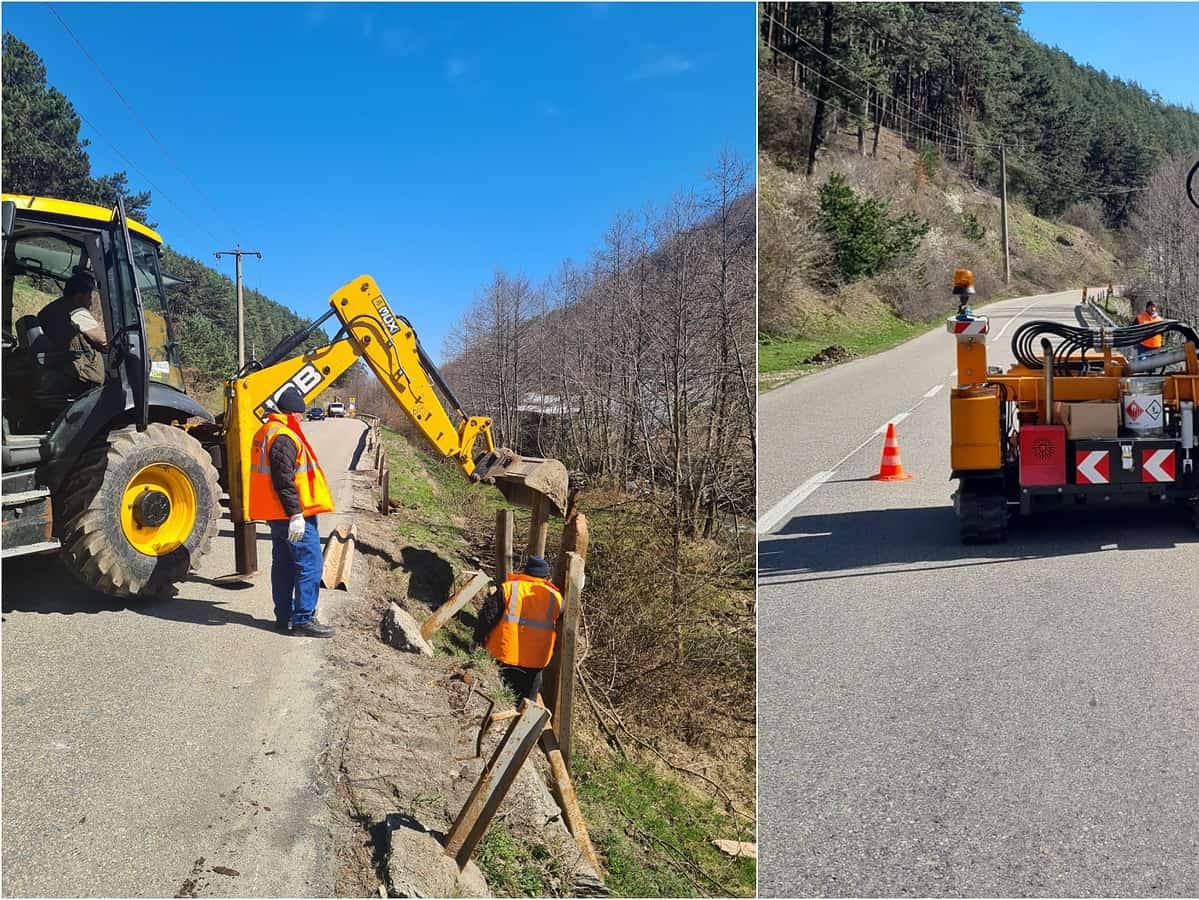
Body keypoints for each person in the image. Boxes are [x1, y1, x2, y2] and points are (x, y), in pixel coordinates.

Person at [248, 385, 336, 637]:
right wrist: (296, 515)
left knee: (284, 565)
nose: (301, 419)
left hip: (278, 514)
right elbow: (283, 480)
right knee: (309, 564)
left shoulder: (268, 431)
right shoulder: (284, 437)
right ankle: (303, 619)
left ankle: (283, 616)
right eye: (299, 415)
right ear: (291, 413)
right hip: (292, 515)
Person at [474, 555, 564, 701]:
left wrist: (478, 639)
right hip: (536, 661)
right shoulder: (556, 597)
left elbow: (488, 616)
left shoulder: (509, 589)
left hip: (504, 655)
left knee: (500, 700)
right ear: (546, 576)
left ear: (526, 571)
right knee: (527, 704)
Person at [37, 271, 107, 388]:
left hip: (56, 364)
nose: (90, 302)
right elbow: (103, 340)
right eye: (89, 297)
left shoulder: (51, 309)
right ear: (78, 296)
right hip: (77, 373)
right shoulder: (77, 313)